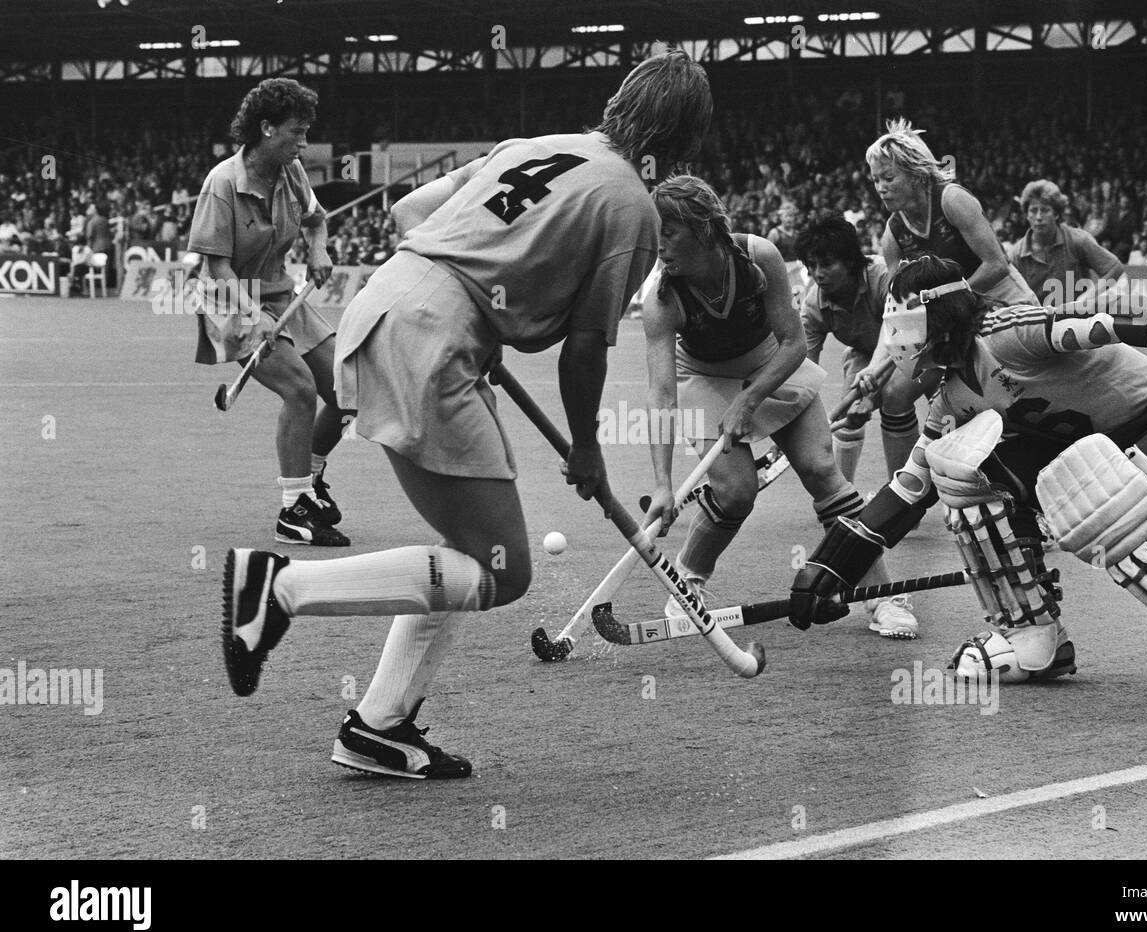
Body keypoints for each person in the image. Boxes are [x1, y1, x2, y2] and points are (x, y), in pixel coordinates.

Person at [220, 49, 714, 778]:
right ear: (682, 140)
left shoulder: (541, 145)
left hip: (388, 308)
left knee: (466, 550)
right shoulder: (632, 205)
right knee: (503, 567)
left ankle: (378, 727)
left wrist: (481, 289)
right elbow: (583, 353)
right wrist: (588, 449)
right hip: (431, 341)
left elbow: (408, 212)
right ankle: (280, 587)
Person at [787, 253, 1147, 722]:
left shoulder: (1006, 332)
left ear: (932, 321)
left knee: (1117, 505)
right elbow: (910, 489)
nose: (894, 344)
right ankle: (1031, 636)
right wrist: (832, 568)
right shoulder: (951, 399)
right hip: (1101, 457)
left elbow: (1100, 321)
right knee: (956, 471)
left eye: (901, 326)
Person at [640, 177, 917, 640]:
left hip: (771, 362)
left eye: (669, 231)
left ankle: (881, 596)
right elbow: (662, 395)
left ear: (703, 229)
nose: (659, 243)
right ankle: (686, 583)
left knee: (821, 469)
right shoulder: (663, 301)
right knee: (735, 491)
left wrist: (749, 399)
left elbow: (794, 343)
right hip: (704, 377)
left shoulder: (758, 258)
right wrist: (664, 484)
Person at [189, 77, 349, 547]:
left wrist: (318, 250)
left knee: (347, 384)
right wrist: (251, 316)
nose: (304, 143)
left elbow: (316, 220)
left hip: (278, 292)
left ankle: (311, 475)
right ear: (266, 129)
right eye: (296, 133)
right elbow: (215, 265)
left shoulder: (291, 172)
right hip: (228, 300)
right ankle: (292, 510)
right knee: (300, 390)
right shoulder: (222, 184)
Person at [866, 119, 1036, 476]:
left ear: (916, 175)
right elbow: (898, 314)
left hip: (1002, 306)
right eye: (875, 179)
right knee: (894, 393)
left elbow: (997, 265)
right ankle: (901, 493)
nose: (880, 188)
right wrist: (874, 367)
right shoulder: (893, 235)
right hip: (951, 325)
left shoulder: (952, 199)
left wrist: (946, 305)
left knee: (1009, 402)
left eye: (888, 178)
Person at [796, 213, 927, 486]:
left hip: (918, 345)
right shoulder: (812, 308)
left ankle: (903, 496)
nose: (818, 274)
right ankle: (842, 496)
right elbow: (804, 378)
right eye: (812, 265)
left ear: (851, 261)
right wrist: (800, 426)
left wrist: (873, 389)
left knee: (893, 398)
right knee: (848, 415)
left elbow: (901, 331)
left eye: (827, 264)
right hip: (865, 357)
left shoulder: (883, 275)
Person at [1011, 180, 1126, 309]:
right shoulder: (1016, 255)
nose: (1038, 217)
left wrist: (1087, 297)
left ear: (1056, 214)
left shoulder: (1078, 240)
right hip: (1037, 324)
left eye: (1045, 210)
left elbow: (1115, 268)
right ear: (1026, 215)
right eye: (1033, 210)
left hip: (1076, 321)